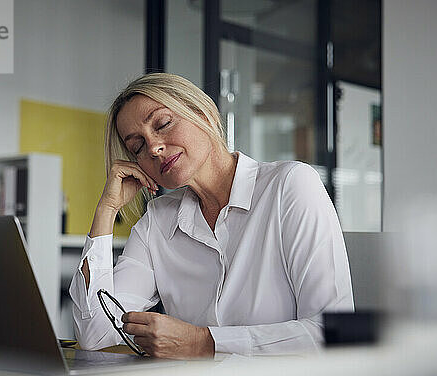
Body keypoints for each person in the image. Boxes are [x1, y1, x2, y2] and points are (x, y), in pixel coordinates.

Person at [69, 73, 354, 359]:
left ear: (203, 113)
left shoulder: (290, 185)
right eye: (137, 147)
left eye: (163, 124)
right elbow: (95, 333)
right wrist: (106, 210)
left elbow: (331, 335)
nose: (153, 147)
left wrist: (204, 343)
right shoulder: (157, 221)